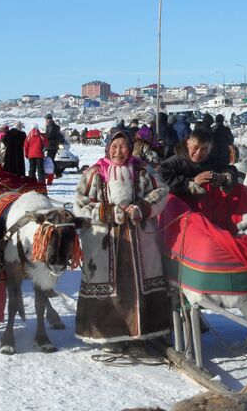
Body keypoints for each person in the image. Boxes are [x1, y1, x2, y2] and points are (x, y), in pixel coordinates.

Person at [73, 129, 170, 349]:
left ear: (130, 148)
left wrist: (142, 207)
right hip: (104, 243)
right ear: (107, 148)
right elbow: (80, 204)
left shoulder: (143, 170)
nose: (119, 151)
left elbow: (162, 192)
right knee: (110, 286)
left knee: (140, 284)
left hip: (139, 240)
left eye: (123, 146)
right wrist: (107, 212)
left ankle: (144, 334)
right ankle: (110, 336)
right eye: (114, 147)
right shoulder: (95, 173)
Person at [158, 128, 238, 198]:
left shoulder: (212, 161)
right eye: (195, 147)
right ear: (188, 143)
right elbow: (159, 178)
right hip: (181, 209)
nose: (199, 152)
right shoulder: (175, 162)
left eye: (204, 149)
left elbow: (230, 169)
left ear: (210, 149)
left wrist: (224, 178)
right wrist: (192, 182)